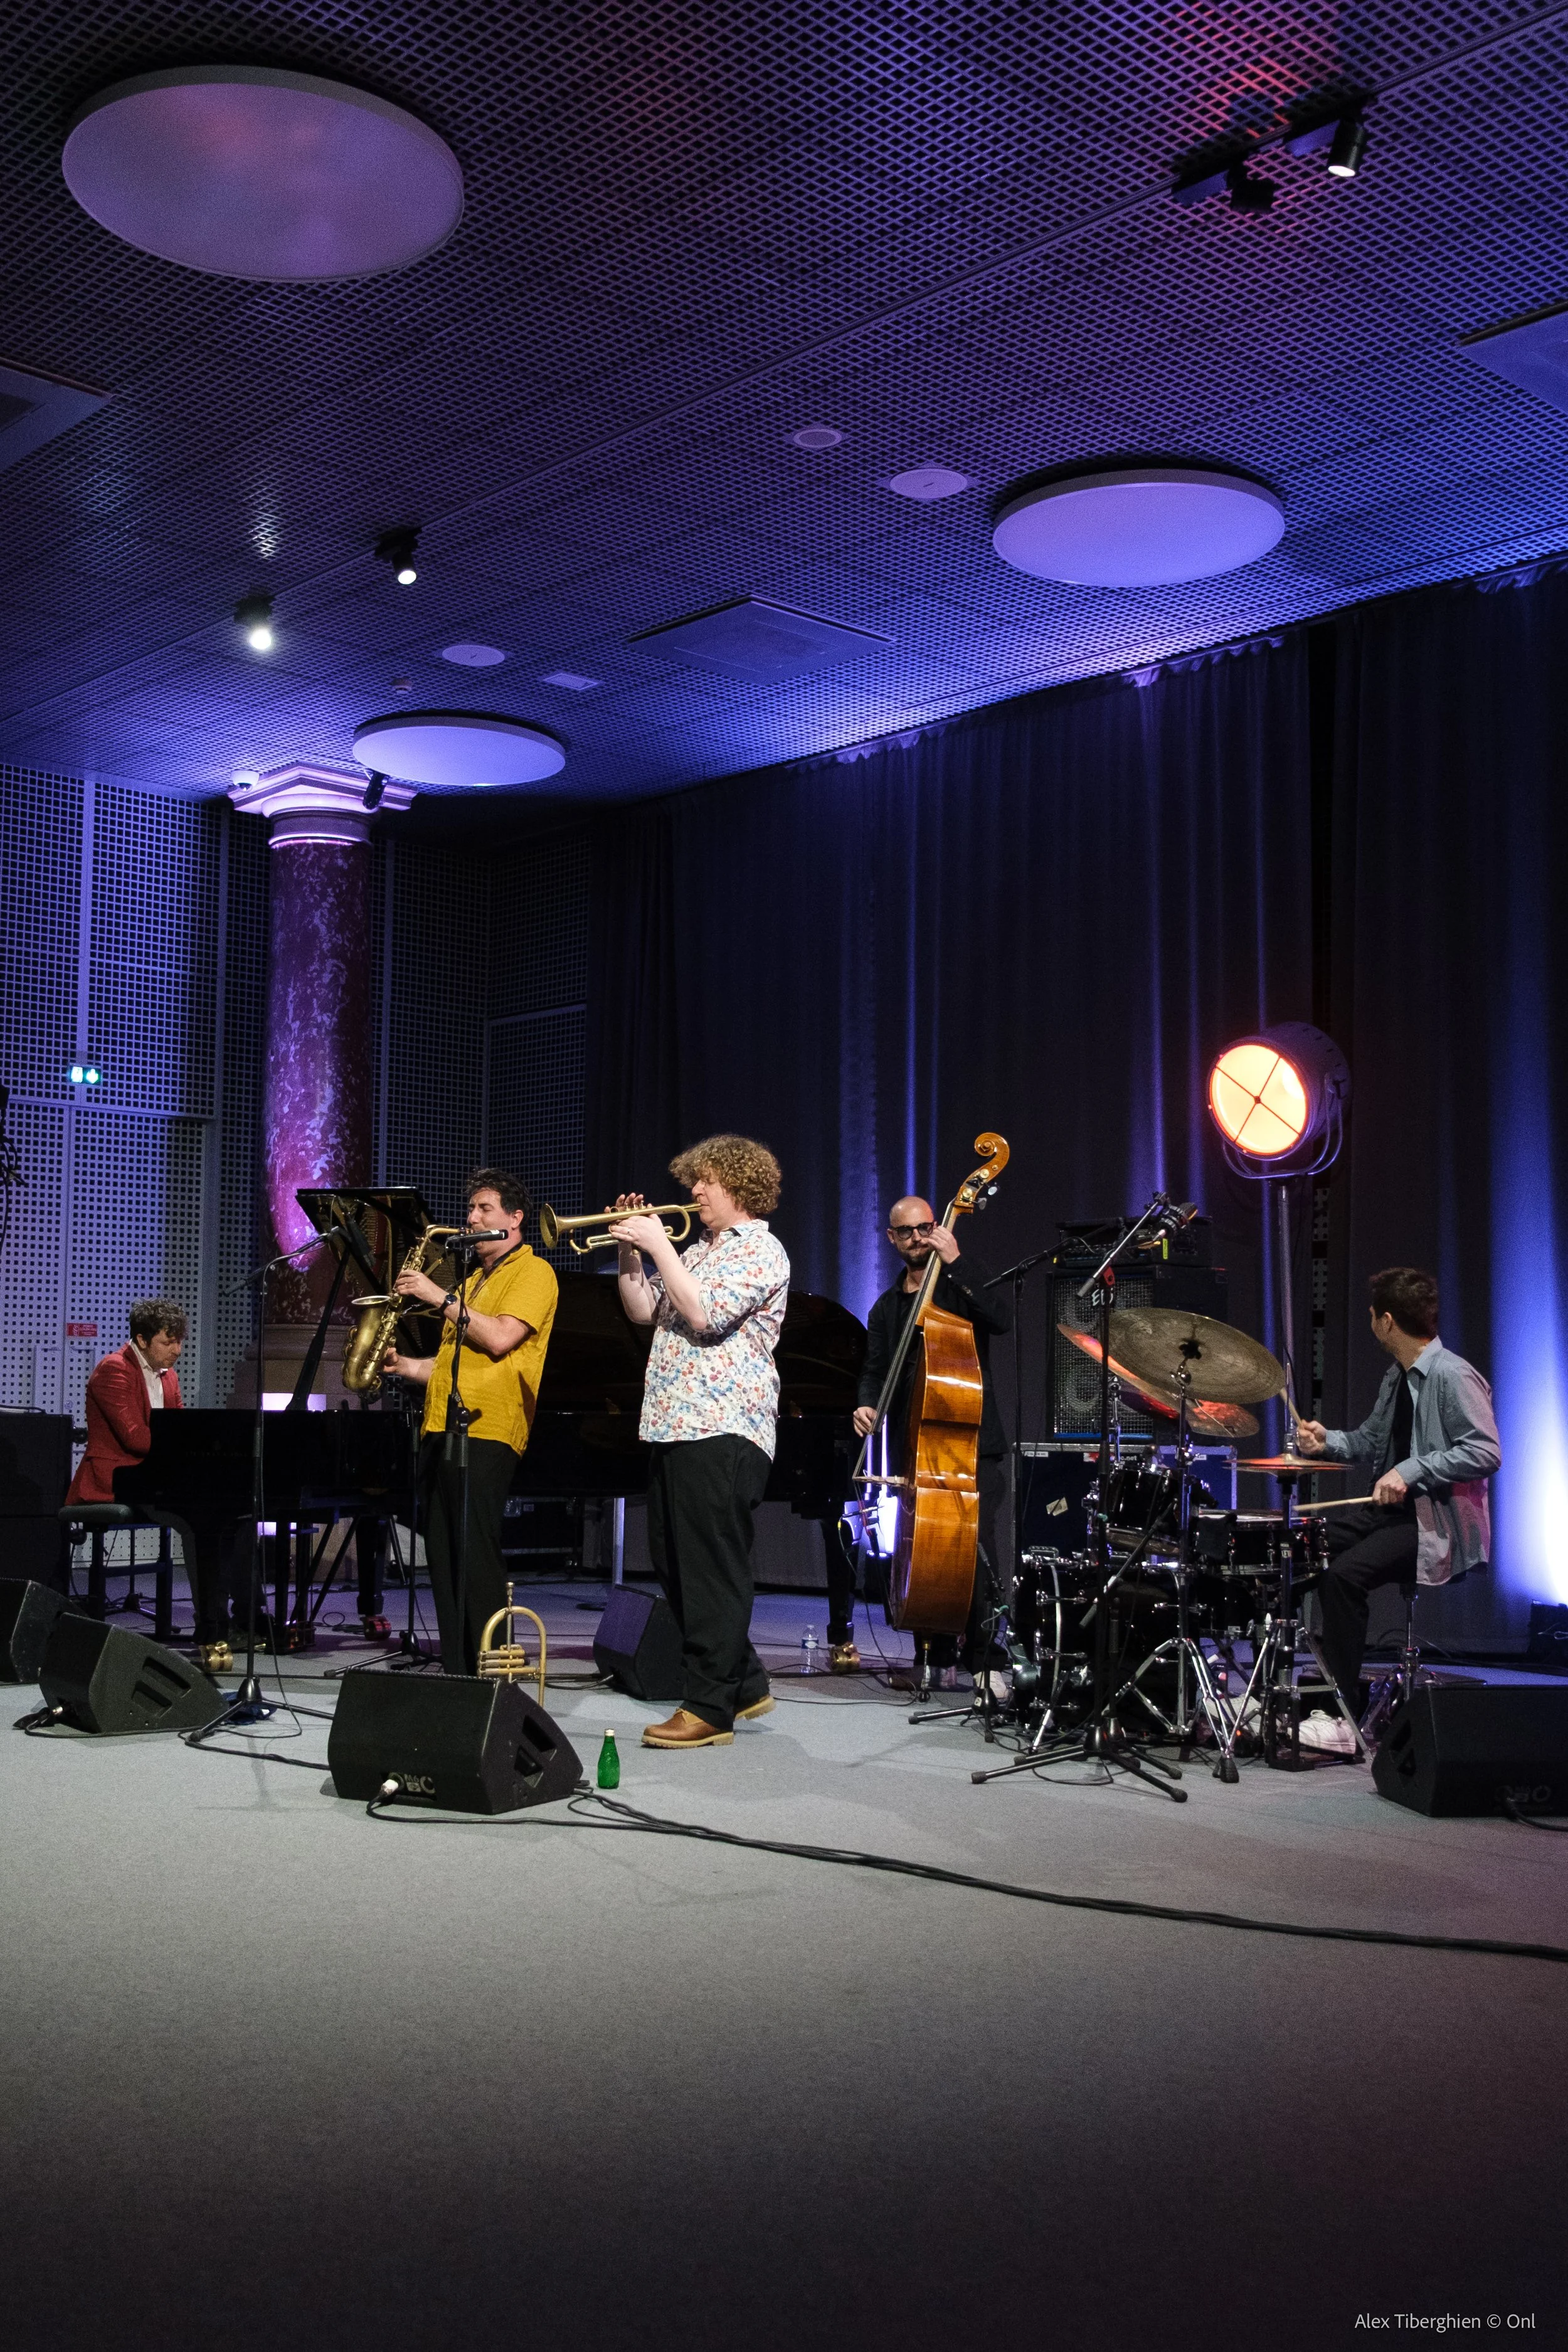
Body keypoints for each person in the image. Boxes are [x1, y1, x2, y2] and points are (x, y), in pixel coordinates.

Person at [613, 1135, 790, 1749]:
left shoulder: (761, 1251)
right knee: (674, 1563)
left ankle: (709, 1707)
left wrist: (659, 1242)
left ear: (739, 1185)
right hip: (673, 1422)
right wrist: (633, 1256)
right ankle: (743, 1681)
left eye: (705, 1181)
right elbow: (644, 1311)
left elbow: (705, 1315)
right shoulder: (697, 1252)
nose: (693, 1192)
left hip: (723, 1425)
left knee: (711, 1571)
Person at [1294, 1266, 1500, 1740]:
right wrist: (1326, 1440)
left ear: (1387, 1321)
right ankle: (1288, 1689)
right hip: (1388, 1515)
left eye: (1371, 1316)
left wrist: (1410, 1471)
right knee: (1304, 1548)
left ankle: (1339, 1716)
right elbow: (1370, 1439)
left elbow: (1486, 1451)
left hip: (1432, 1523)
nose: (1370, 1323)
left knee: (1344, 1577)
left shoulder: (1453, 1376)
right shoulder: (1397, 1377)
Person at [384, 1169, 558, 1674]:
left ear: (515, 1217)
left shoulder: (534, 1273)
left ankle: (495, 1668)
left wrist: (438, 1297)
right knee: (443, 1554)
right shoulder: (471, 1281)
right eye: (472, 1209)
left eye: (484, 1208)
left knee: (477, 1553)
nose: (472, 1218)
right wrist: (404, 1367)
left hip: (489, 1427)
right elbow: (451, 1364)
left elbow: (501, 1338)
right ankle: (459, 1670)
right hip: (443, 1426)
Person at [852, 1196, 1014, 1692]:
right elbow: (876, 1370)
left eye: (926, 1228)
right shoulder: (886, 1307)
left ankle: (987, 1659)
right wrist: (867, 1405)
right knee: (921, 1556)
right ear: (892, 1239)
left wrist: (959, 1260)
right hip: (916, 1451)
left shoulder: (958, 1288)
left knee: (973, 1558)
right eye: (908, 1232)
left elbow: (1001, 1317)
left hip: (971, 1448)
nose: (919, 1237)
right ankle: (933, 1654)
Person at [66, 1298, 239, 1671]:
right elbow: (135, 1439)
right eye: (168, 1342)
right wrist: (183, 1449)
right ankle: (211, 1627)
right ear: (142, 1340)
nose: (176, 1351)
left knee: (229, 1513)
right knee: (199, 1522)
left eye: (179, 1342)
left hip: (153, 1476)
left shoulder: (168, 1375)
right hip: (115, 1478)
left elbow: (174, 1430)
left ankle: (238, 1618)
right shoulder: (113, 1370)